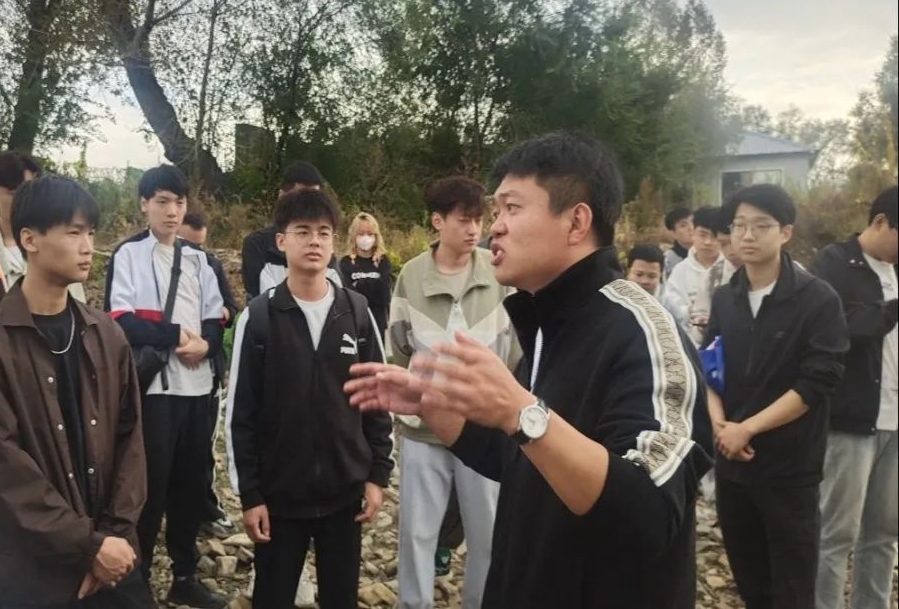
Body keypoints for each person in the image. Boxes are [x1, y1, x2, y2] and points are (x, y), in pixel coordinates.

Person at [347, 130, 713, 609]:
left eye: (512, 209)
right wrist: (442, 410)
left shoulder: (642, 330)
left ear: (576, 222)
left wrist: (522, 414)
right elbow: (520, 460)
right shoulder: (544, 324)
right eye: (496, 211)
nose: (495, 228)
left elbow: (651, 510)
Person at [0, 176, 152, 608]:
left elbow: (130, 440)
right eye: (73, 232)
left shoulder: (107, 335)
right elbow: (3, 474)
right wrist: (88, 546)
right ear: (30, 240)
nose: (87, 247)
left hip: (115, 559)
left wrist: (114, 538)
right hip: (36, 572)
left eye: (91, 233)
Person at [226, 188, 393, 609]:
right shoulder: (259, 318)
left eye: (323, 232)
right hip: (279, 498)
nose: (314, 241)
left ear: (335, 241)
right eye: (302, 232)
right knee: (273, 597)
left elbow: (377, 399)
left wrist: (377, 475)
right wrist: (250, 495)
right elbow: (240, 415)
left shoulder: (356, 312)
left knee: (341, 598)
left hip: (345, 494)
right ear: (282, 241)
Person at [702, 184, 848, 609]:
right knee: (752, 585)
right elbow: (709, 366)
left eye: (761, 226)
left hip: (789, 470)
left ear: (785, 232)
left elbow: (817, 382)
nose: (747, 235)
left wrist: (747, 429)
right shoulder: (725, 298)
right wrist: (720, 426)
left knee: (792, 589)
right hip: (733, 467)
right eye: (739, 225)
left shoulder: (816, 299)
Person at [389, 177, 521, 609]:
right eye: (464, 220)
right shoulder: (411, 275)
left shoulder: (499, 272)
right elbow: (398, 348)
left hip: (485, 427)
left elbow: (516, 350)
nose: (474, 229)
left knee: (488, 532)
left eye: (479, 220)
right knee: (417, 532)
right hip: (424, 429)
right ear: (437, 221)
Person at [104, 166, 228, 609]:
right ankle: (135, 580)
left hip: (198, 388)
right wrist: (176, 337)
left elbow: (218, 314)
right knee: (149, 487)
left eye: (178, 202)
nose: (172, 211)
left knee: (191, 485)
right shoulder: (129, 255)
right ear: (144, 204)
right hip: (155, 391)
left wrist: (207, 343)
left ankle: (184, 574)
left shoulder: (199, 259)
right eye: (162, 201)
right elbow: (120, 319)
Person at [811, 185, 899, 609]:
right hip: (852, 422)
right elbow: (838, 330)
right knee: (836, 534)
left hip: (895, 422)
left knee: (884, 534)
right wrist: (892, 309)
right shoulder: (833, 264)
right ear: (881, 222)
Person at [0, 151, 85, 329]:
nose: (27, 201)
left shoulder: (59, 250)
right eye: (15, 193)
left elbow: (79, 317)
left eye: (32, 192)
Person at [178, 211, 241, 540]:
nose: (194, 252)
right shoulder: (147, 264)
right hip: (163, 376)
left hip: (207, 371)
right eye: (188, 244)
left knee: (202, 448)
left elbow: (231, 308)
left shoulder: (210, 265)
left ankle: (204, 508)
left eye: (200, 246)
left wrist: (215, 318)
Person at [240, 160, 342, 301]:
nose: (310, 205)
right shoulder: (257, 244)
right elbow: (257, 297)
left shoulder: (321, 246)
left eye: (315, 196)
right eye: (302, 196)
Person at [664, 205, 723, 345]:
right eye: (702, 235)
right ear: (693, 234)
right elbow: (670, 306)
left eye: (714, 236)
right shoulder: (679, 271)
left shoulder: (731, 268)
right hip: (687, 343)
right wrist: (688, 311)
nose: (708, 242)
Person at [340, 212, 394, 335]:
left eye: (370, 234)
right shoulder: (346, 262)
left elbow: (385, 296)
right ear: (354, 236)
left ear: (376, 236)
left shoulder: (383, 261)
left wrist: (359, 284)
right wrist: (374, 284)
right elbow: (349, 297)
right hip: (354, 324)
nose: (366, 238)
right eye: (361, 233)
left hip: (378, 325)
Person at [664, 206, 694, 278]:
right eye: (683, 225)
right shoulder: (667, 260)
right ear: (673, 233)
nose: (691, 228)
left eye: (693, 222)